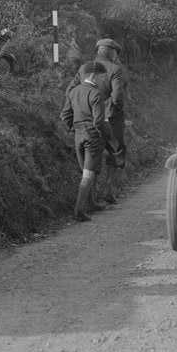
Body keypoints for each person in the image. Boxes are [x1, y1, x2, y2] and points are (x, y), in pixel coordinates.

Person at [67, 37, 128, 204]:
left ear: (99, 52)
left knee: (91, 157)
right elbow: (117, 97)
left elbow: (70, 90)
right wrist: (113, 110)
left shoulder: (84, 69)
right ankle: (108, 189)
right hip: (110, 118)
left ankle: (92, 196)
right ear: (113, 53)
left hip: (86, 119)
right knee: (116, 150)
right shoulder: (115, 69)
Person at [61, 61, 112, 221]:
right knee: (88, 174)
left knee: (86, 172)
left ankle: (92, 202)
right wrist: (109, 135)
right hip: (92, 137)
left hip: (78, 135)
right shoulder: (96, 94)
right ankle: (79, 211)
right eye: (102, 76)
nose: (103, 80)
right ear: (94, 75)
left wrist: (75, 128)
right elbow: (99, 122)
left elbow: (65, 116)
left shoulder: (73, 91)